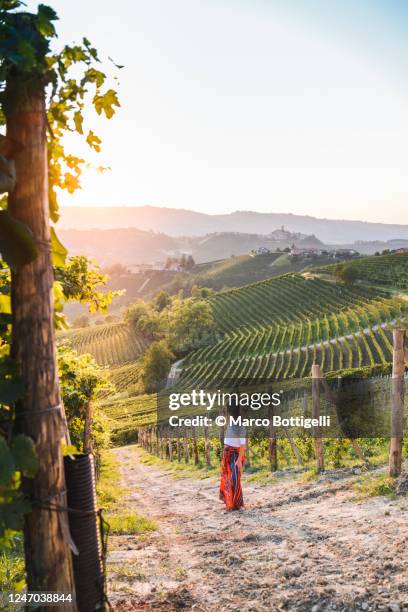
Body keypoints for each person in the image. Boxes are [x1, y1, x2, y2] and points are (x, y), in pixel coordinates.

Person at [219, 399, 246, 511]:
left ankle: (237, 505)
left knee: (234, 480)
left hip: (235, 455)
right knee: (227, 479)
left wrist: (239, 460)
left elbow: (243, 445)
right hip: (227, 454)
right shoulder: (232, 423)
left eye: (228, 410)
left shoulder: (239, 425)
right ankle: (230, 504)